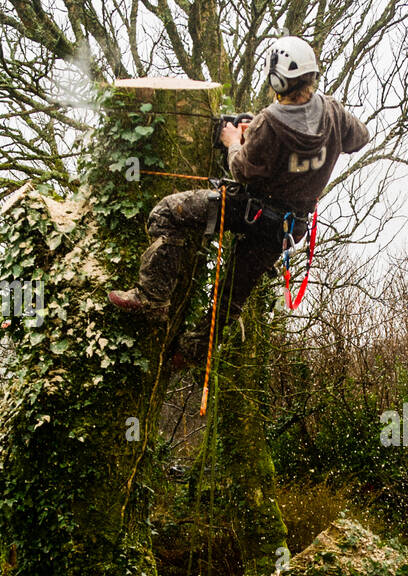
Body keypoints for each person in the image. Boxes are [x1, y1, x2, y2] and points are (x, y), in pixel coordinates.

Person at [108, 36, 370, 366]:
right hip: (288, 228)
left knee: (167, 212)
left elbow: (242, 170)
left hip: (250, 211)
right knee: (232, 295)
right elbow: (360, 137)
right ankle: (192, 352)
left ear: (277, 80)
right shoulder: (333, 113)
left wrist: (234, 141)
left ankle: (153, 296)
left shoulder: (271, 122)